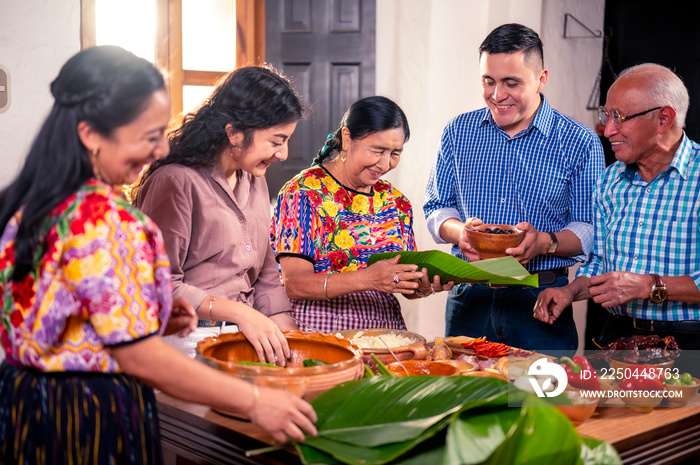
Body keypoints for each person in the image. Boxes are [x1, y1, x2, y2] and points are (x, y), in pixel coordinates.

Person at [0, 46, 316, 464]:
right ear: (91, 133)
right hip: (89, 410)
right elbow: (139, 356)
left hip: (24, 400)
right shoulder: (103, 218)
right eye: (148, 137)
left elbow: (60, 310)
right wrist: (255, 401)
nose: (161, 151)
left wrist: (156, 314)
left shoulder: (31, 204)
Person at [423, 23, 605, 352]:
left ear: (541, 78)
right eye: (488, 81)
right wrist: (458, 233)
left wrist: (545, 243)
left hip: (541, 301)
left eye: (511, 83)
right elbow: (437, 206)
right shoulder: (458, 132)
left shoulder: (580, 142)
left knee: (537, 401)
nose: (497, 95)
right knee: (467, 398)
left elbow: (591, 226)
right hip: (470, 296)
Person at [534, 63, 700, 371]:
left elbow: (636, 285)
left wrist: (650, 286)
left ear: (664, 118)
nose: (608, 130)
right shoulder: (609, 181)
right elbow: (601, 264)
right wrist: (571, 290)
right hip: (616, 339)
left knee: (673, 422)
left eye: (619, 118)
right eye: (606, 115)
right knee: (583, 414)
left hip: (689, 345)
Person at [135, 66, 302, 362]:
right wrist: (239, 312)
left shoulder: (255, 181)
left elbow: (265, 274)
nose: (284, 154)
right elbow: (158, 284)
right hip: (187, 342)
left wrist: (289, 339)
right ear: (235, 134)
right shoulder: (175, 182)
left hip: (246, 335)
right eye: (276, 141)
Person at [271, 96, 453, 333]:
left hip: (385, 336)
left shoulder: (396, 203)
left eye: (395, 153)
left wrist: (421, 287)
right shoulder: (303, 193)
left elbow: (399, 279)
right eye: (378, 150)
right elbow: (294, 284)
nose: (385, 164)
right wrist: (369, 278)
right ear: (347, 139)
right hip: (320, 334)